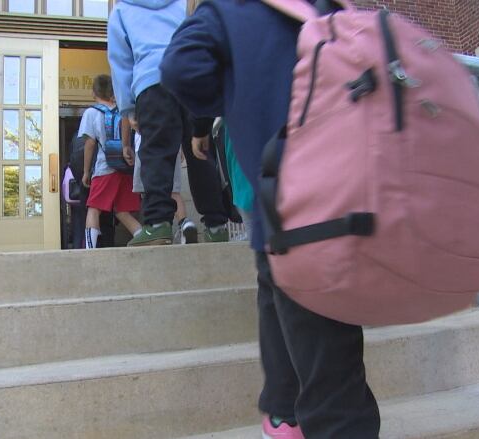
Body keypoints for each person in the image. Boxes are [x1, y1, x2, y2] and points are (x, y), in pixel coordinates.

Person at [161, 2, 381, 438]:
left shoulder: (228, 9)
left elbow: (180, 67)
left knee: (326, 367)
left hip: (288, 196)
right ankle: (284, 410)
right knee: (285, 295)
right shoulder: (334, 7)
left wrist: (232, 94)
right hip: (342, 193)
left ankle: (295, 416)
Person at [107, 0, 229, 247]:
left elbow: (121, 62)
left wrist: (128, 108)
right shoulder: (184, 3)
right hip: (188, 76)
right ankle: (216, 224)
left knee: (156, 153)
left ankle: (158, 223)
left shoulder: (121, 10)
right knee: (200, 151)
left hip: (152, 84)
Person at [80, 74, 142, 249]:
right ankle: (144, 238)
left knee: (93, 208)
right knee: (122, 210)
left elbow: (90, 143)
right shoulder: (124, 111)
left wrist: (86, 172)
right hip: (126, 166)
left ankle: (89, 250)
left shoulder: (91, 113)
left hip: (104, 167)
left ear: (94, 92)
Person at [131, 128, 199, 244]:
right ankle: (184, 224)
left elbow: (129, 117)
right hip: (173, 143)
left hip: (146, 145)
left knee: (147, 190)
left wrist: (125, 145)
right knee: (173, 191)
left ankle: (155, 229)